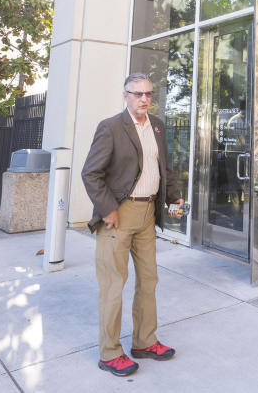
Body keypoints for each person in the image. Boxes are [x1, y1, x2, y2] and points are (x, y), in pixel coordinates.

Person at [82, 72, 184, 377]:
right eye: (137, 93)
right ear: (125, 95)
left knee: (149, 280)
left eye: (148, 94)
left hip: (147, 214)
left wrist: (174, 198)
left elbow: (163, 168)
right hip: (119, 215)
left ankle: (144, 341)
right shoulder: (111, 127)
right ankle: (110, 353)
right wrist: (108, 209)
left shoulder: (157, 126)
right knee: (114, 284)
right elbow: (91, 173)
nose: (143, 99)